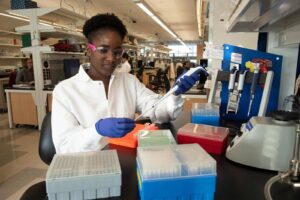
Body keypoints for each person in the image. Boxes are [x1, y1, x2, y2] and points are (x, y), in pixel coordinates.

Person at [51, 13, 201, 153]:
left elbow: (157, 111)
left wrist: (174, 93)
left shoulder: (128, 81)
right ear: (89, 50)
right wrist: (97, 130)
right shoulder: (65, 91)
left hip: (126, 159)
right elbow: (64, 147)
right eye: (103, 50)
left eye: (117, 52)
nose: (111, 58)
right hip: (88, 168)